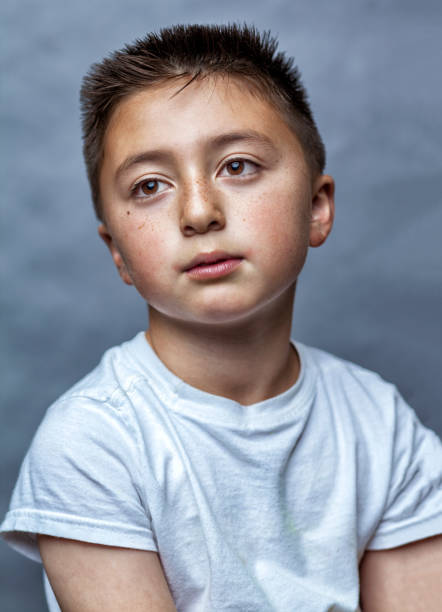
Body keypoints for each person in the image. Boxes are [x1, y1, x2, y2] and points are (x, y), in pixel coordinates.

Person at [1, 23, 441, 612]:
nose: (199, 212)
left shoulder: (379, 425)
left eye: (237, 166)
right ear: (118, 254)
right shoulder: (92, 444)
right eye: (150, 185)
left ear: (316, 207)